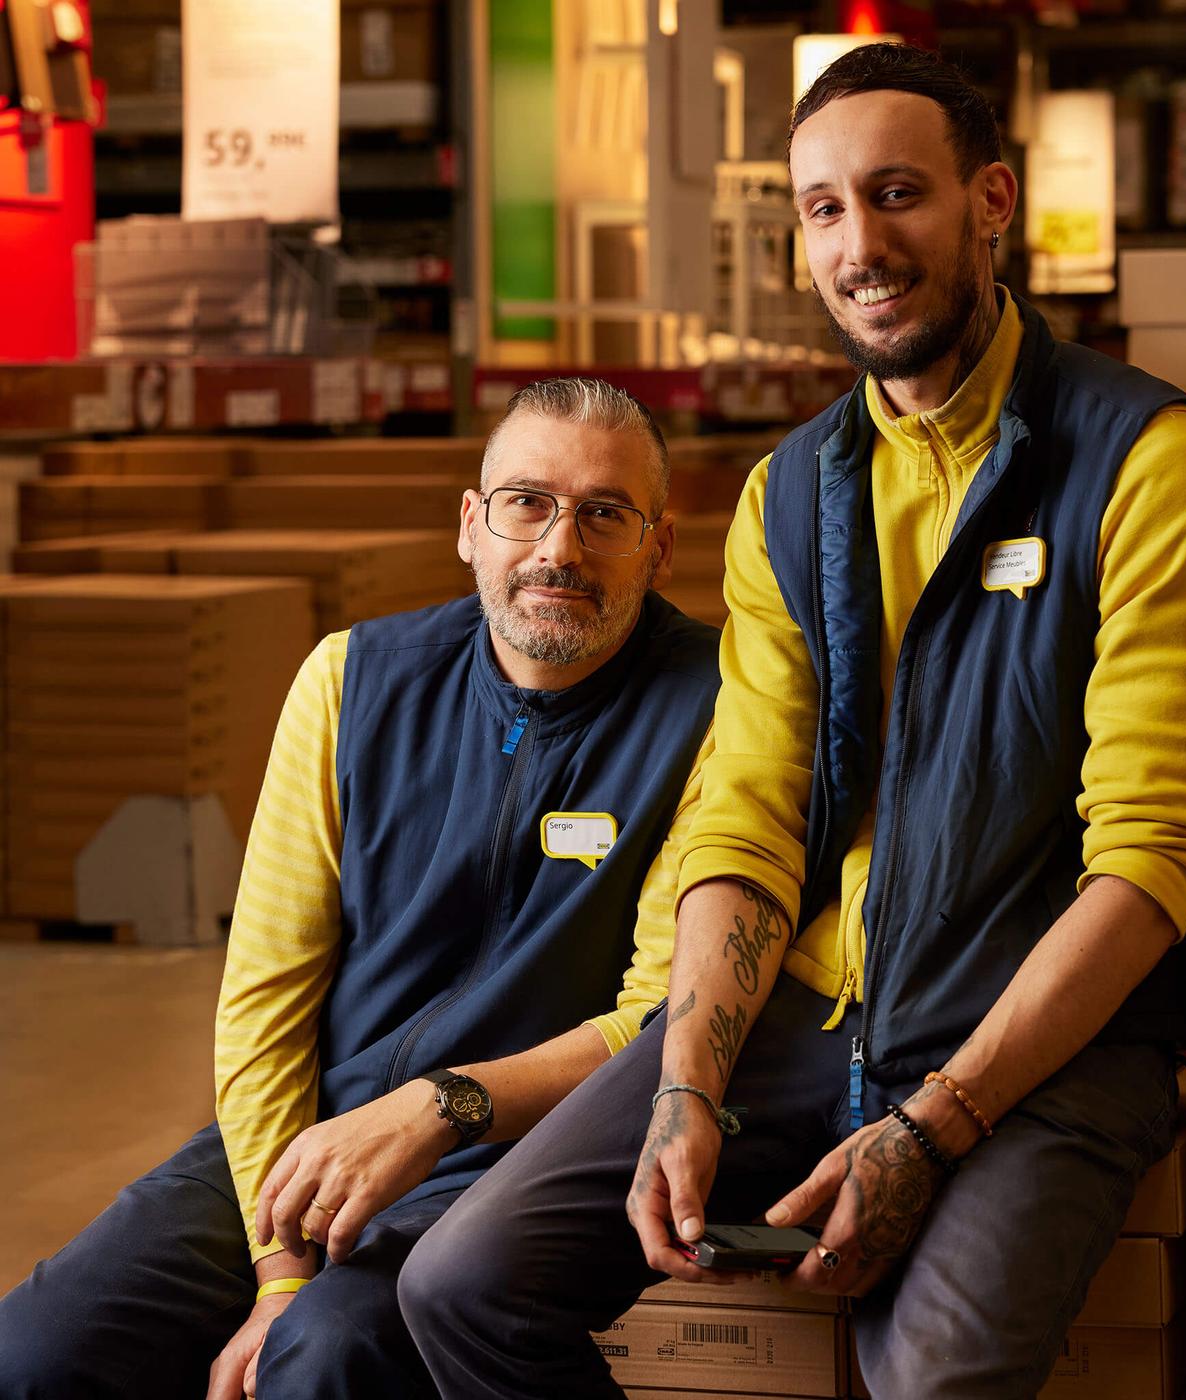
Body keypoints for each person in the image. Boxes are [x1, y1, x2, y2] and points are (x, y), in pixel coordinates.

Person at [397, 44, 1186, 1400]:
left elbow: (1151, 861)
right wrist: (685, 1084)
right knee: (462, 1282)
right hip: (809, 1013)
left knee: (929, 1383)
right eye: (824, 208)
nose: (863, 244)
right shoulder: (791, 495)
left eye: (898, 194)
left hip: (1051, 1038)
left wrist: (932, 1126)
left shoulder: (1143, 460)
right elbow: (746, 811)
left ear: (991, 202)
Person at [0, 377, 720, 1400]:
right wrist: (278, 1272)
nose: (558, 547)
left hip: (522, 1149)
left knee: (325, 1359)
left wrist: (443, 1105)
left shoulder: (715, 709)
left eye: (605, 513)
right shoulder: (350, 680)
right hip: (319, 1124)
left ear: (658, 548)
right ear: (470, 524)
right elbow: (263, 1002)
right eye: (526, 502)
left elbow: (660, 1013)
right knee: (35, 1354)